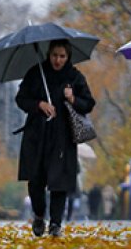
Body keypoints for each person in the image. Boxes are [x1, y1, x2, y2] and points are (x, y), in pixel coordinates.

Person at [16, 39, 96, 237]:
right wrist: (39, 105)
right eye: (54, 55)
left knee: (60, 182)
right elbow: (21, 98)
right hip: (37, 135)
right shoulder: (36, 73)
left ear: (68, 57)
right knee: (36, 180)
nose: (58, 60)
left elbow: (88, 103)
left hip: (62, 137)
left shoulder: (74, 77)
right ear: (48, 54)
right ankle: (39, 214)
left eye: (62, 56)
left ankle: (56, 223)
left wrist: (73, 99)